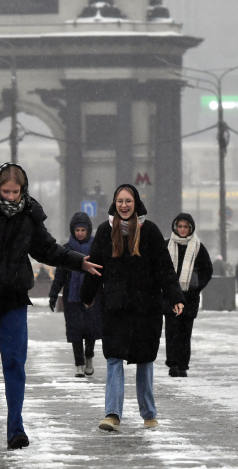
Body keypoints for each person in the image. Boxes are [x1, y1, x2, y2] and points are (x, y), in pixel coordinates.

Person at [0, 163, 102, 451]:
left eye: (16, 191)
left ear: (23, 190)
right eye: (6, 191)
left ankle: (15, 429)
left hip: (14, 298)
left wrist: (78, 261)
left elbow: (48, 250)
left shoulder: (29, 214)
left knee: (15, 363)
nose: (11, 197)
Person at [80, 184, 186, 432]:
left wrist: (175, 297)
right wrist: (88, 295)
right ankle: (112, 414)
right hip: (115, 307)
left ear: (136, 203)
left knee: (145, 360)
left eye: (128, 201)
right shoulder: (105, 231)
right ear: (114, 203)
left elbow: (164, 269)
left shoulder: (149, 231)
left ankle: (149, 413)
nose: (124, 205)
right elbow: (95, 266)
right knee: (114, 358)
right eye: (120, 201)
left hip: (146, 307)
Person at [49, 212, 102, 378]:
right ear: (73, 230)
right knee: (76, 331)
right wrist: (53, 294)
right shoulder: (66, 250)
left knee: (91, 330)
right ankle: (78, 364)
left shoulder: (96, 248)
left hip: (92, 297)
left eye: (83, 230)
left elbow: (102, 272)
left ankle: (89, 359)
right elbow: (60, 274)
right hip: (72, 298)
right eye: (77, 229)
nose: (80, 232)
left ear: (88, 231)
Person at [164, 213, 213, 378]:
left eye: (185, 227)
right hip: (171, 297)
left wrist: (197, 287)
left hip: (189, 298)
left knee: (185, 332)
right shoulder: (167, 245)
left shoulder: (198, 247)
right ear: (175, 228)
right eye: (180, 227)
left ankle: (182, 365)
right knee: (171, 332)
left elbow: (208, 270)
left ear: (190, 228)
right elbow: (158, 269)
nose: (182, 230)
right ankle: (173, 364)